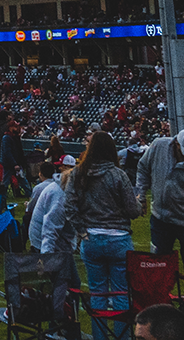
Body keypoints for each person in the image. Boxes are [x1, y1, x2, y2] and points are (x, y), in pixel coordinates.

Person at [57, 131, 142, 340]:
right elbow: (133, 210)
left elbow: (69, 207)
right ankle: (123, 336)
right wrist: (138, 204)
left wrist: (82, 231)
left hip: (92, 238)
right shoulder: (118, 175)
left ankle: (100, 337)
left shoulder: (78, 174)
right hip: (119, 238)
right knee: (121, 293)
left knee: (97, 294)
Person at [134, 128, 184, 286]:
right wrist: (141, 196)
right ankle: (161, 303)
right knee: (158, 265)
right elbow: (143, 168)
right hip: (160, 219)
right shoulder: (158, 146)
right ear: (176, 145)